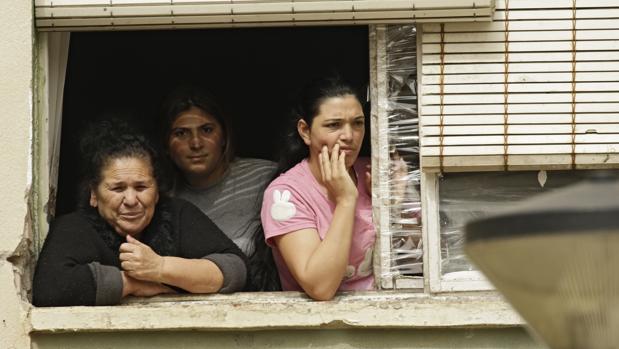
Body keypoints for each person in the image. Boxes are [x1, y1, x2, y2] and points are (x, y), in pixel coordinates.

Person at [33, 120, 248, 306]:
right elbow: (49, 287)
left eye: (141, 187)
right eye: (117, 188)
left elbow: (236, 269)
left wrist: (160, 268)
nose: (130, 200)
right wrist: (132, 283)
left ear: (156, 192)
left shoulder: (176, 214)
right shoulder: (75, 227)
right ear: (94, 195)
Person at [261, 76, 375, 301]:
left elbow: (419, 260)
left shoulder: (375, 173)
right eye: (334, 125)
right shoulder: (286, 194)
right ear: (305, 131)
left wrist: (396, 207)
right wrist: (345, 200)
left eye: (358, 123)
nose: (349, 136)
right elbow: (320, 287)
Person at [161, 86, 279, 291]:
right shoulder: (158, 198)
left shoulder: (265, 179)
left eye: (207, 130)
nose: (196, 143)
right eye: (181, 133)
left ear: (224, 136)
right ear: (166, 145)